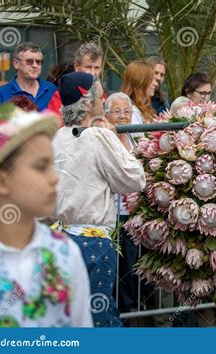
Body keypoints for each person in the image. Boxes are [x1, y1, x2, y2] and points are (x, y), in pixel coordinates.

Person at [52, 72, 146, 327]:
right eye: (100, 94)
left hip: (60, 239)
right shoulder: (98, 136)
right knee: (99, 316)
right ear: (87, 100)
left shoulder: (57, 137)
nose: (103, 99)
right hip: (92, 242)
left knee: (71, 317)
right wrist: (115, 139)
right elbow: (134, 178)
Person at [0, 104, 92, 327]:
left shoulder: (65, 253)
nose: (55, 178)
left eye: (52, 166)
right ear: (1, 180)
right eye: (41, 167)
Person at [0, 42, 56, 110]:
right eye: (29, 61)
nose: (35, 66)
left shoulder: (52, 89)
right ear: (16, 64)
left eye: (38, 62)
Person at [48, 43, 104, 117]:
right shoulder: (61, 96)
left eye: (97, 68)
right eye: (88, 67)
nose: (93, 73)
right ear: (77, 66)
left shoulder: (101, 94)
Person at [121, 60, 157, 125]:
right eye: (151, 80)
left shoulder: (143, 108)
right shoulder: (132, 112)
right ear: (140, 82)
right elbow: (138, 135)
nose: (155, 84)